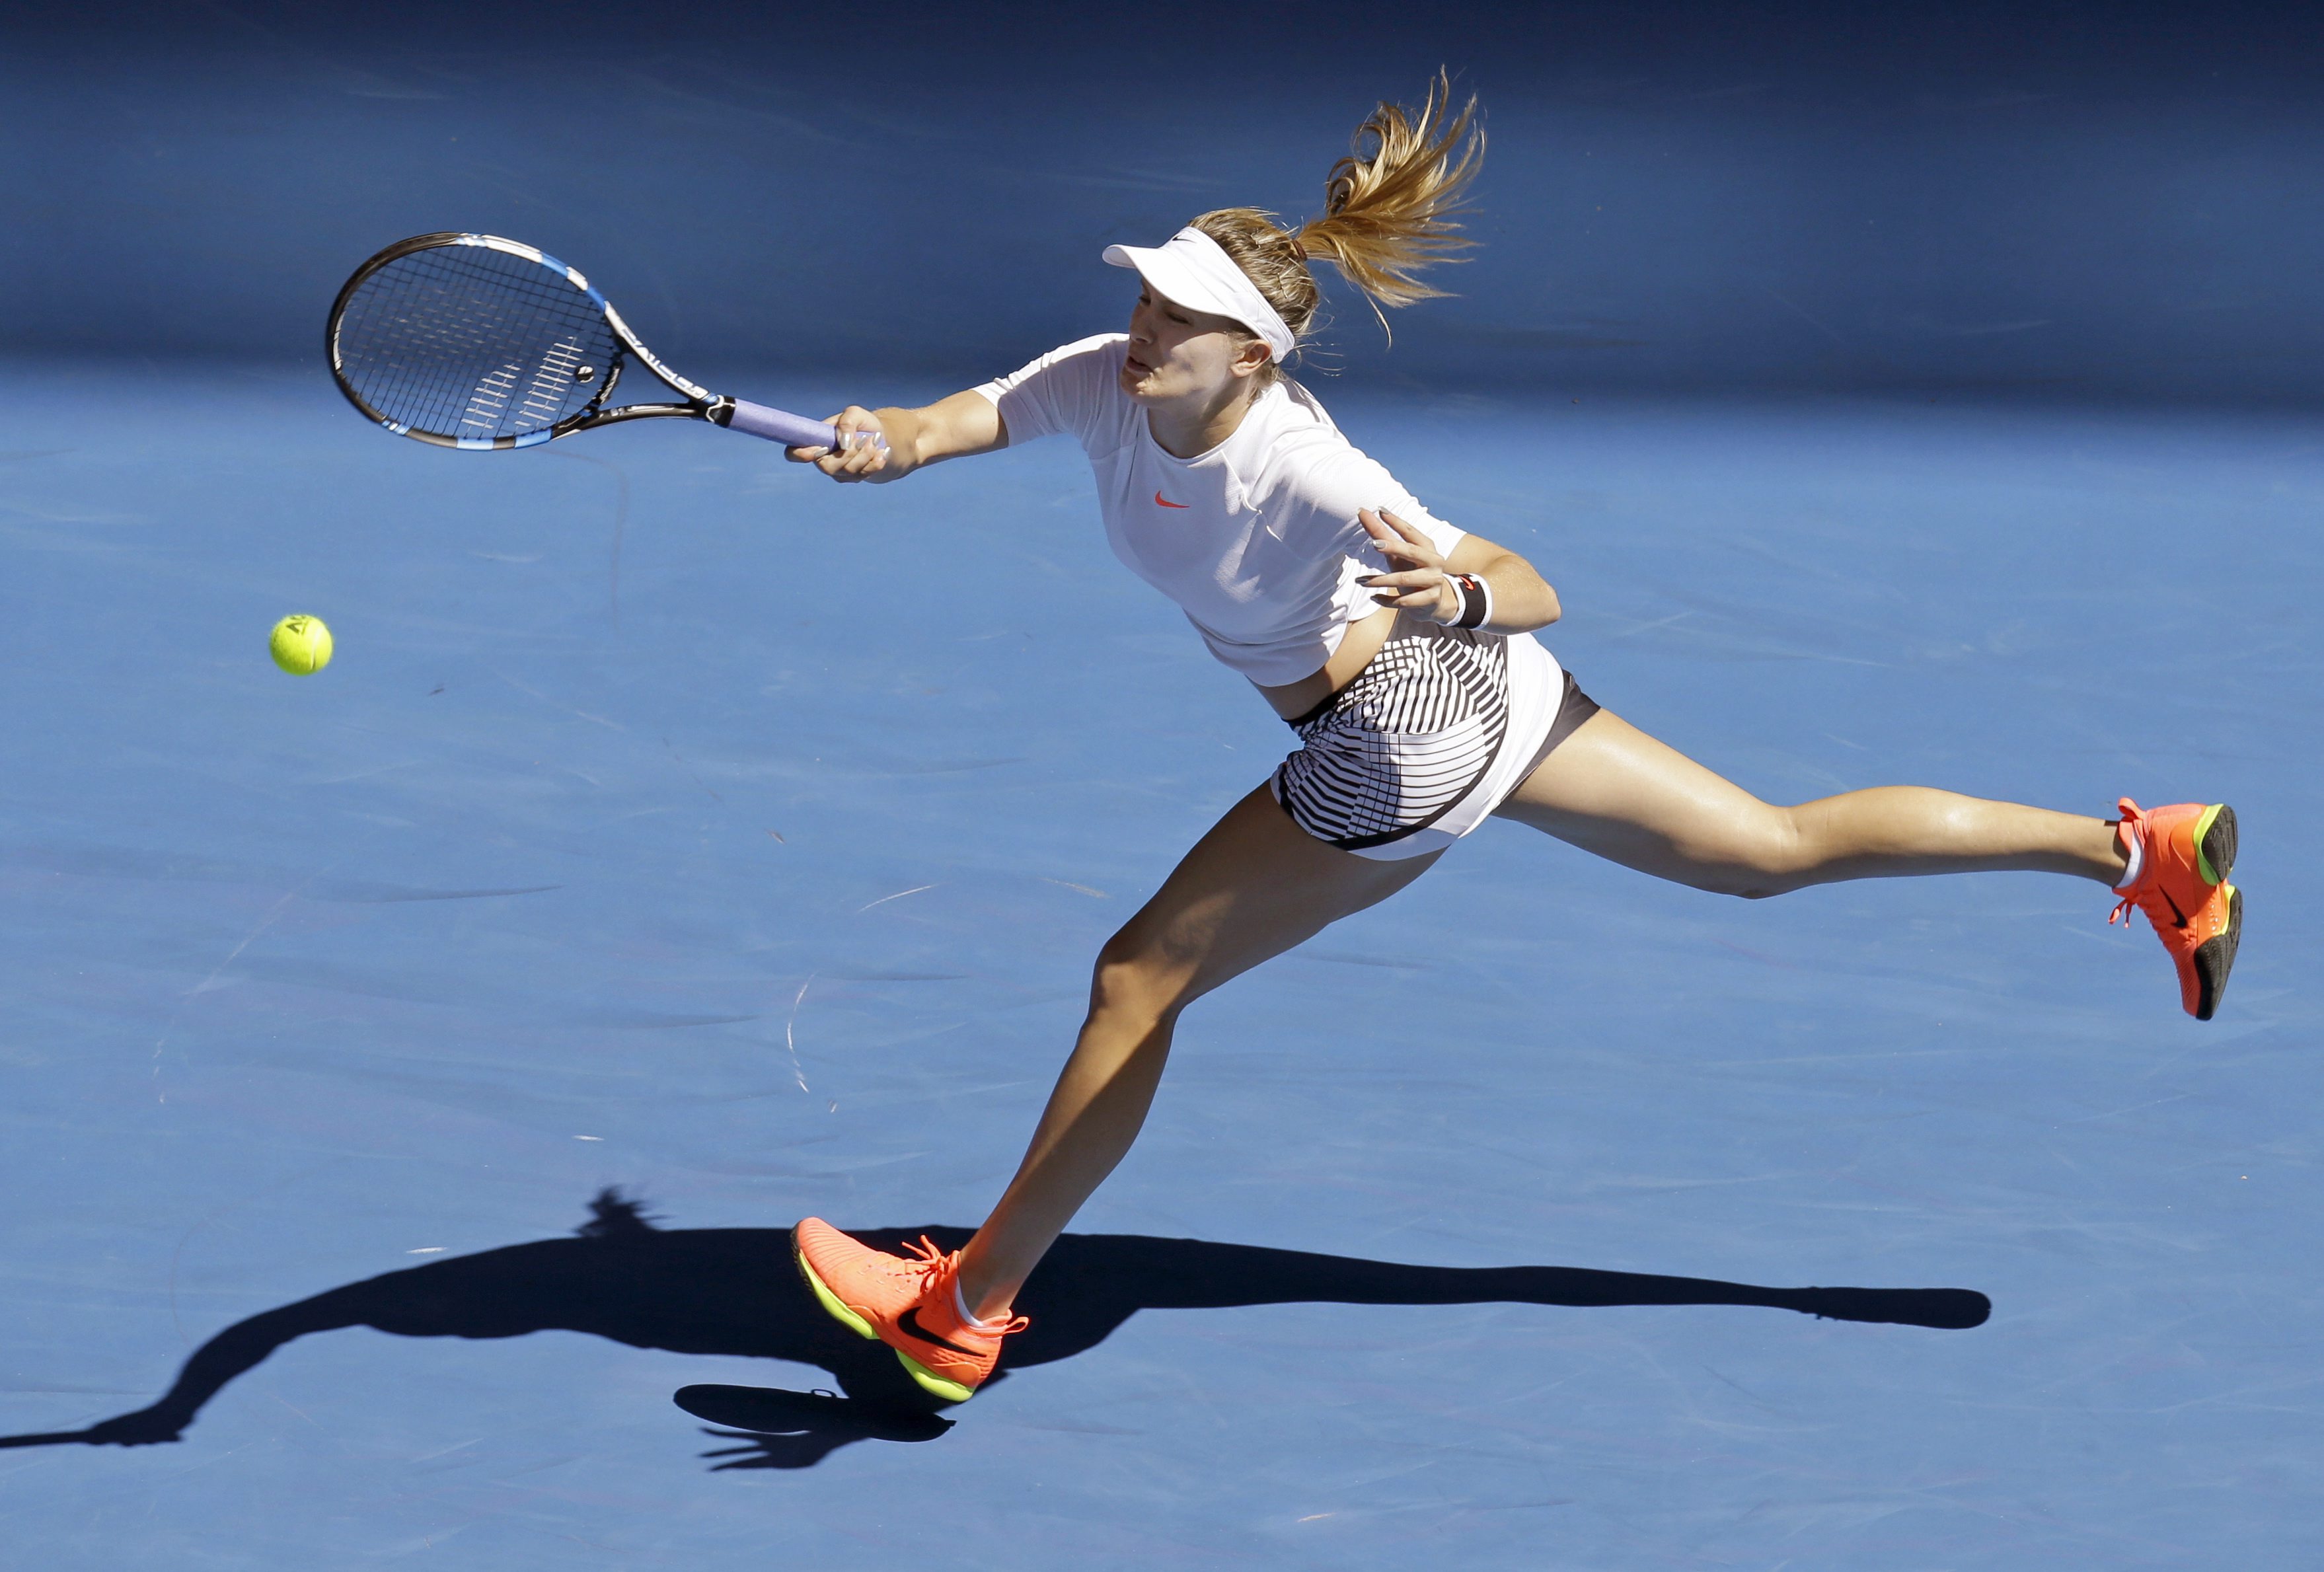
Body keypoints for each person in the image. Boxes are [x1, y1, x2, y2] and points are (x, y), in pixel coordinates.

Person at [780, 76, 2242, 1404]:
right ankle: (2138, 850)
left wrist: (1462, 587)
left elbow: (1527, 581)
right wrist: (885, 437)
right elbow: (963, 414)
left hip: (1403, 728)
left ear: (1254, 354)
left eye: (1179, 315)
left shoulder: (1306, 459)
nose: (1147, 325)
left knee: (1135, 974)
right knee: (1767, 850)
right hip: (1492, 704)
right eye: (1147, 298)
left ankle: (961, 1308)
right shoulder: (1109, 375)